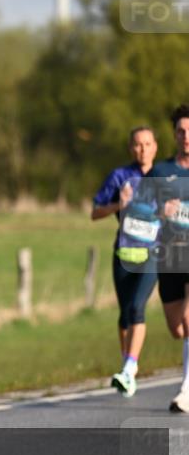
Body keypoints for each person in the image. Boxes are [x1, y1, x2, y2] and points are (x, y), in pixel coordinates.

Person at [91, 126, 159, 397]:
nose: (142, 149)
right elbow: (95, 212)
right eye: (137, 145)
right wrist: (118, 205)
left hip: (153, 253)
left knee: (137, 306)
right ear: (131, 148)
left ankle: (130, 369)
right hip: (123, 254)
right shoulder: (120, 176)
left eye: (147, 144)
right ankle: (127, 365)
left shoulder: (165, 175)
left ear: (155, 146)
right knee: (125, 315)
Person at [136, 105, 189, 412]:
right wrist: (160, 212)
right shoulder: (160, 172)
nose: (186, 136)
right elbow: (140, 213)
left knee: (188, 322)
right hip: (169, 255)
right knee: (177, 329)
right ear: (173, 135)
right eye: (181, 131)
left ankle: (185, 390)